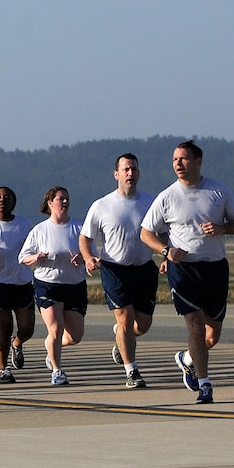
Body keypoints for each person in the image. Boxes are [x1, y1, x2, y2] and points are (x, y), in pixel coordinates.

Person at [140, 139, 234, 404]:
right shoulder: (167, 197)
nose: (178, 163)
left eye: (183, 159)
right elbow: (145, 233)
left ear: (198, 161)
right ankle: (205, 385)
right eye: (175, 159)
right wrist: (166, 251)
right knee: (196, 329)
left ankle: (186, 359)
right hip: (183, 269)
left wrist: (223, 229)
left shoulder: (218, 192)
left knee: (212, 335)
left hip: (215, 269)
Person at [82, 153, 157, 388]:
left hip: (145, 268)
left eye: (134, 169)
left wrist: (167, 254)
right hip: (115, 268)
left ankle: (121, 339)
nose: (130, 173)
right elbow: (85, 237)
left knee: (141, 325)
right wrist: (88, 257)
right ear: (116, 174)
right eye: (126, 169)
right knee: (125, 318)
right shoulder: (102, 205)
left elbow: (163, 233)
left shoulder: (152, 202)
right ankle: (131, 371)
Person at [21, 186, 86, 385]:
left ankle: (51, 348)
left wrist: (83, 257)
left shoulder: (79, 227)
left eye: (67, 198)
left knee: (75, 336)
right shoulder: (40, 230)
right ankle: (57, 371)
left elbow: (89, 251)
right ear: (50, 203)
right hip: (48, 284)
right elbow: (23, 257)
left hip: (74, 284)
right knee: (56, 328)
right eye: (60, 199)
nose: (64, 202)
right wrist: (36, 257)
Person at [0, 187, 34, 382]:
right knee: (4, 327)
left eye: (7, 197)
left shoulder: (24, 224)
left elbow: (35, 247)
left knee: (27, 328)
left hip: (22, 283)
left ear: (13, 202)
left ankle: (18, 343)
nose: (2, 200)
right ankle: (3, 369)